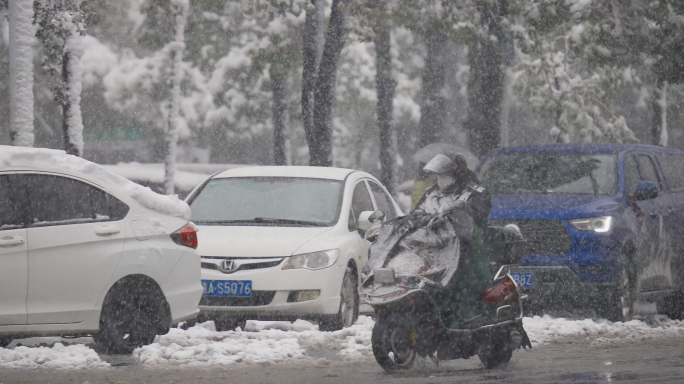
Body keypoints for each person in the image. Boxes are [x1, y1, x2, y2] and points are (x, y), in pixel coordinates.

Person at [414, 153, 493, 328]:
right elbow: (416, 215)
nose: (440, 179)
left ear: (456, 173)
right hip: (434, 246)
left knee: (461, 276)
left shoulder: (476, 193)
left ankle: (474, 314)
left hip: (467, 247)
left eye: (444, 175)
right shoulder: (431, 193)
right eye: (438, 175)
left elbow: (473, 216)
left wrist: (453, 214)